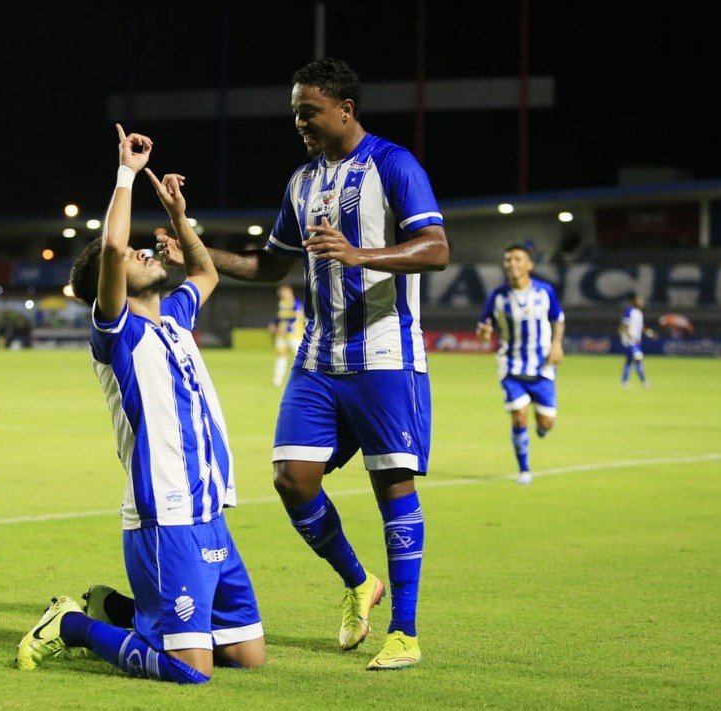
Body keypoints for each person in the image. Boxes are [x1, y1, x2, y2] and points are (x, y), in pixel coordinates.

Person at [157, 57, 448, 670]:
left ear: (345, 108)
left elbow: (437, 248)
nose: (299, 121)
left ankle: (406, 631)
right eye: (295, 112)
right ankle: (358, 581)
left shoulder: (394, 166)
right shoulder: (301, 183)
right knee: (292, 480)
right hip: (318, 357)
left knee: (391, 484)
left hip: (385, 356)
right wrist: (193, 249)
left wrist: (362, 253)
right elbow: (269, 266)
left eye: (308, 111)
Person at [15, 125, 265, 684]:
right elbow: (108, 246)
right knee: (189, 671)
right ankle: (71, 625)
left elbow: (205, 272)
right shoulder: (117, 334)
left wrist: (179, 216)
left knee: (249, 657)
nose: (143, 252)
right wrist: (127, 172)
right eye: (134, 255)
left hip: (209, 509)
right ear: (113, 284)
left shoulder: (174, 317)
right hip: (165, 515)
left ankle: (117, 610)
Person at [476, 243, 565, 485]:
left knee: (546, 423)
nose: (512, 264)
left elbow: (558, 319)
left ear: (529, 265)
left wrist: (557, 344)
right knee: (519, 417)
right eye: (508, 260)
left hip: (542, 367)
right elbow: (484, 327)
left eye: (517, 259)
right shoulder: (497, 296)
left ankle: (543, 428)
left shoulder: (544, 292)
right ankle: (524, 469)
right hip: (511, 367)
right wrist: (484, 333)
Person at [268, 283, 305, 387]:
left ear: (289, 291)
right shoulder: (282, 303)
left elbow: (296, 318)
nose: (281, 294)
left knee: (299, 358)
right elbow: (280, 318)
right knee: (281, 356)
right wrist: (274, 324)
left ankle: (300, 381)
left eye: (283, 292)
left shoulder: (296, 303)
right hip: (282, 336)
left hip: (294, 335)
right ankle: (277, 381)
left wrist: (287, 327)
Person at [619, 293, 655, 389]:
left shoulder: (639, 313)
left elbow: (641, 326)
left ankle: (624, 382)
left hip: (636, 341)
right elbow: (624, 327)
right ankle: (644, 382)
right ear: (634, 300)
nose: (642, 302)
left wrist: (649, 332)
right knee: (638, 360)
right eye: (640, 300)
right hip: (630, 341)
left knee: (630, 361)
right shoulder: (629, 312)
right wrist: (629, 337)